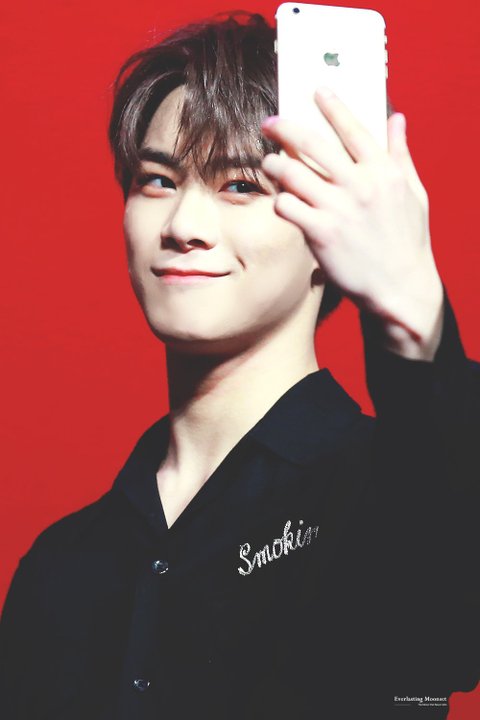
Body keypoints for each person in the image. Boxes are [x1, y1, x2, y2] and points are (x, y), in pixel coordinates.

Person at [0, 11, 478, 720]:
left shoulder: (397, 487)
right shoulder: (60, 565)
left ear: (328, 225)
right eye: (157, 180)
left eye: (241, 186)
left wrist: (409, 302)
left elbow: (454, 630)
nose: (183, 226)